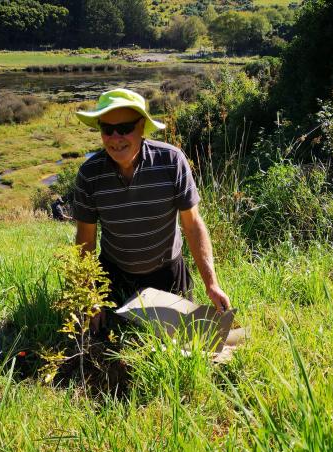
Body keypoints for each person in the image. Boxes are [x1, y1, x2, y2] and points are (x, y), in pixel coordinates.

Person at [72, 88, 230, 314]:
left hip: (168, 273)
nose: (116, 139)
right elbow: (85, 240)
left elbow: (192, 225)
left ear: (142, 128)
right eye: (107, 130)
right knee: (112, 340)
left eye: (125, 129)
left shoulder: (172, 161)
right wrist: (89, 295)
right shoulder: (89, 174)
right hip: (114, 275)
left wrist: (212, 285)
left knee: (181, 338)